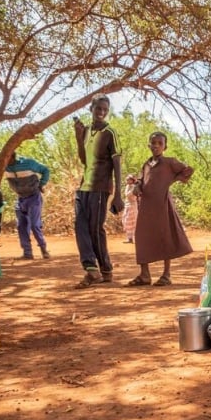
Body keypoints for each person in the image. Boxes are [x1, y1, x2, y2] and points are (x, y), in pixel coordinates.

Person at [125, 131, 194, 287]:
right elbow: (141, 180)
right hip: (146, 206)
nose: (156, 146)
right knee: (142, 236)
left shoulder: (169, 162)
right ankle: (144, 275)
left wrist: (173, 180)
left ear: (165, 146)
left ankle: (166, 274)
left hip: (162, 204)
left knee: (165, 235)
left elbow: (188, 170)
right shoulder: (146, 164)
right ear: (149, 144)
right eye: (153, 143)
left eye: (159, 143)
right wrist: (137, 186)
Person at [72, 94, 124, 289]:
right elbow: (85, 160)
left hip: (100, 187)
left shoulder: (110, 133)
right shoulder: (86, 131)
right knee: (80, 225)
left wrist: (117, 194)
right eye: (98, 109)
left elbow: (117, 162)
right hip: (83, 186)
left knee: (95, 228)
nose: (101, 112)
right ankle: (92, 268)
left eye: (105, 109)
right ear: (91, 109)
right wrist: (79, 138)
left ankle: (105, 270)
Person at [2, 151, 51, 259]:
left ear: (12, 156)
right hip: (20, 198)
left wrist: (41, 184)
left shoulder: (28, 163)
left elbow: (45, 170)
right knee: (21, 226)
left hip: (34, 197)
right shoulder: (3, 167)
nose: (4, 159)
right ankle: (27, 253)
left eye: (6, 157)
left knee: (34, 224)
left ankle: (43, 249)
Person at [122, 174, 139, 243]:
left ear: (132, 180)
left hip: (132, 205)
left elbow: (129, 195)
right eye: (127, 179)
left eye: (129, 179)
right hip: (127, 205)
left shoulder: (134, 187)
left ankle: (133, 238)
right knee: (126, 221)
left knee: (133, 222)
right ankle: (129, 238)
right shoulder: (128, 186)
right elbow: (127, 195)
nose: (127, 180)